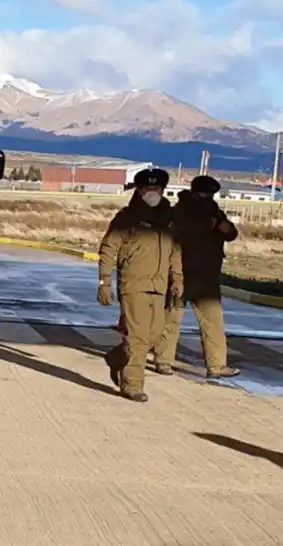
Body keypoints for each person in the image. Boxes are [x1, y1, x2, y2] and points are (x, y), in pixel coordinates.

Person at [98, 168, 183, 402]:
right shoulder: (127, 217)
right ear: (140, 190)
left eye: (157, 189)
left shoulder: (169, 219)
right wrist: (104, 282)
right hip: (133, 284)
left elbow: (175, 252)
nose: (153, 193)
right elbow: (108, 249)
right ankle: (132, 384)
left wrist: (178, 279)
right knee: (138, 337)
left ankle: (116, 358)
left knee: (154, 337)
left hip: (160, 285)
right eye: (148, 189)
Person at [152, 175, 240, 378]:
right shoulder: (180, 211)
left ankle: (217, 365)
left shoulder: (214, 211)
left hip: (207, 275)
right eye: (204, 193)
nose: (207, 197)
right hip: (181, 273)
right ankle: (163, 360)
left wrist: (220, 224)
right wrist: (209, 224)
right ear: (194, 192)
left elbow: (230, 232)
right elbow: (182, 230)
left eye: (211, 194)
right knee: (172, 319)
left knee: (213, 322)